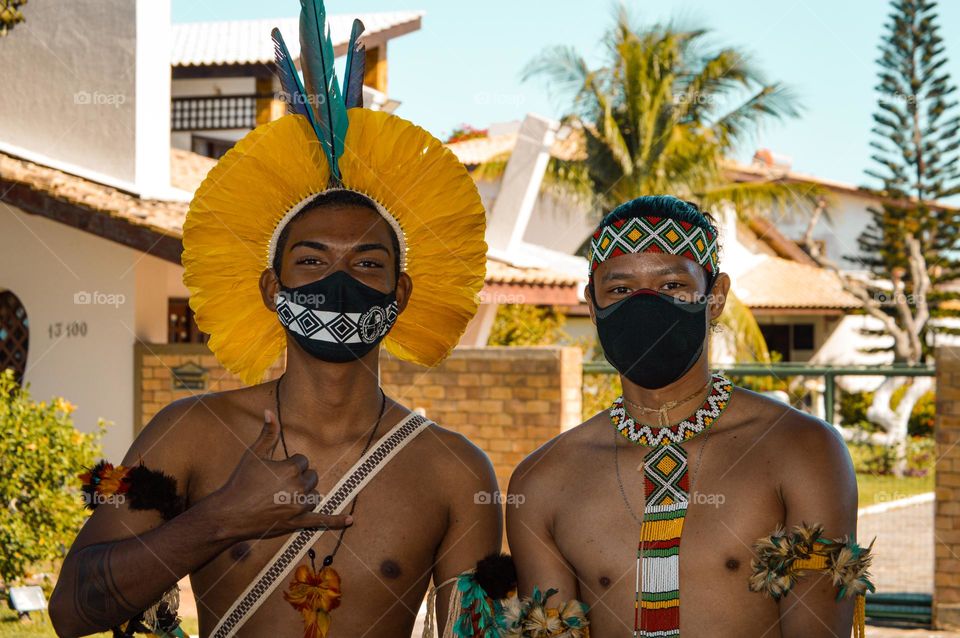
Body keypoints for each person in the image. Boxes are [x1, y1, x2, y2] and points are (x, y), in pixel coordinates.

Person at [49, 2, 500, 636]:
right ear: (270, 287)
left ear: (399, 294)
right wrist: (223, 517)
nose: (339, 283)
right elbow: (70, 608)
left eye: (367, 265)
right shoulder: (186, 432)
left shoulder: (455, 470)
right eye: (312, 261)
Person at [506, 196, 872, 637]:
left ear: (714, 297)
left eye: (672, 287)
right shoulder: (542, 482)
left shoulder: (802, 450)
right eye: (620, 290)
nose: (644, 307)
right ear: (592, 305)